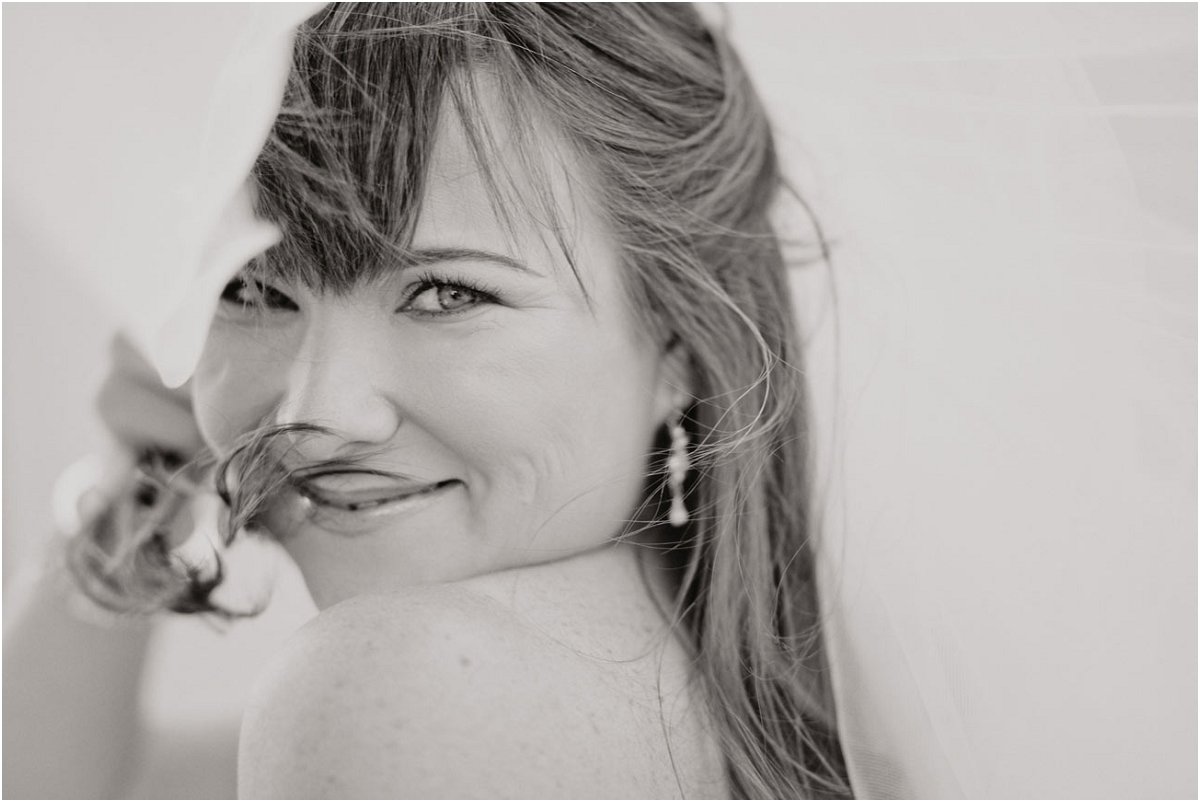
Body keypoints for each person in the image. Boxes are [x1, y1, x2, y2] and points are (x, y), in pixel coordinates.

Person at [6, 3, 850, 798]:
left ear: (678, 336)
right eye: (252, 290)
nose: (318, 416)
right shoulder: (694, 681)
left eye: (447, 294)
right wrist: (144, 472)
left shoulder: (400, 681)